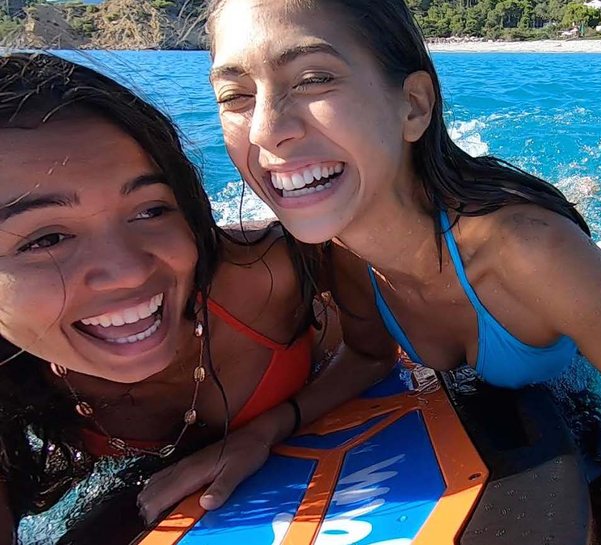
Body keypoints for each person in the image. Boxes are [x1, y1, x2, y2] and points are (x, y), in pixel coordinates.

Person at [146, 1, 601, 543]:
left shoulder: (531, 253)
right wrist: (263, 435)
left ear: (413, 105)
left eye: (312, 78)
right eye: (234, 95)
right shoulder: (339, 244)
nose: (265, 130)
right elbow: (367, 359)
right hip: (517, 258)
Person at [0, 52, 392, 544]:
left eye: (149, 210)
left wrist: (264, 431)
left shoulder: (273, 269)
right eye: (45, 240)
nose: (128, 272)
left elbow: (373, 351)